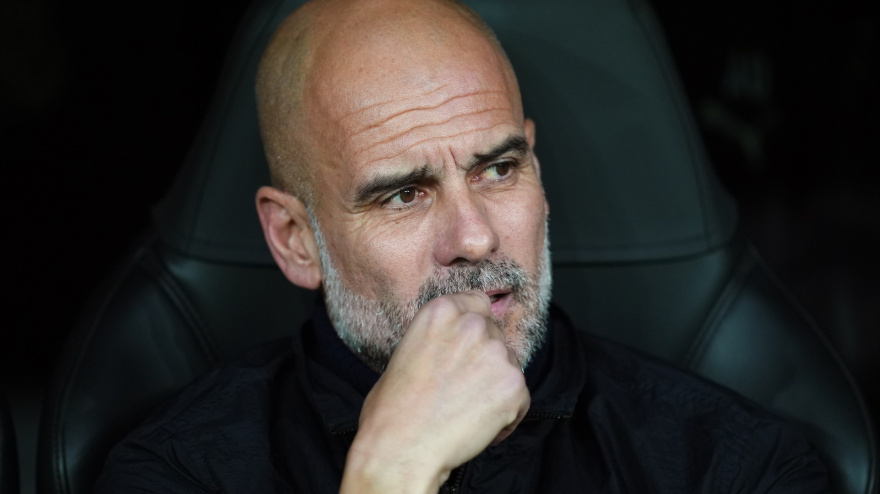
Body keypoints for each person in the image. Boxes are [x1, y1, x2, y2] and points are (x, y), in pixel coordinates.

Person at [96, 0, 829, 492]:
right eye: (403, 195)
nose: (476, 238)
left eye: (499, 169)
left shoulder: (731, 466)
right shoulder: (179, 472)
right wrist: (390, 476)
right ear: (296, 241)